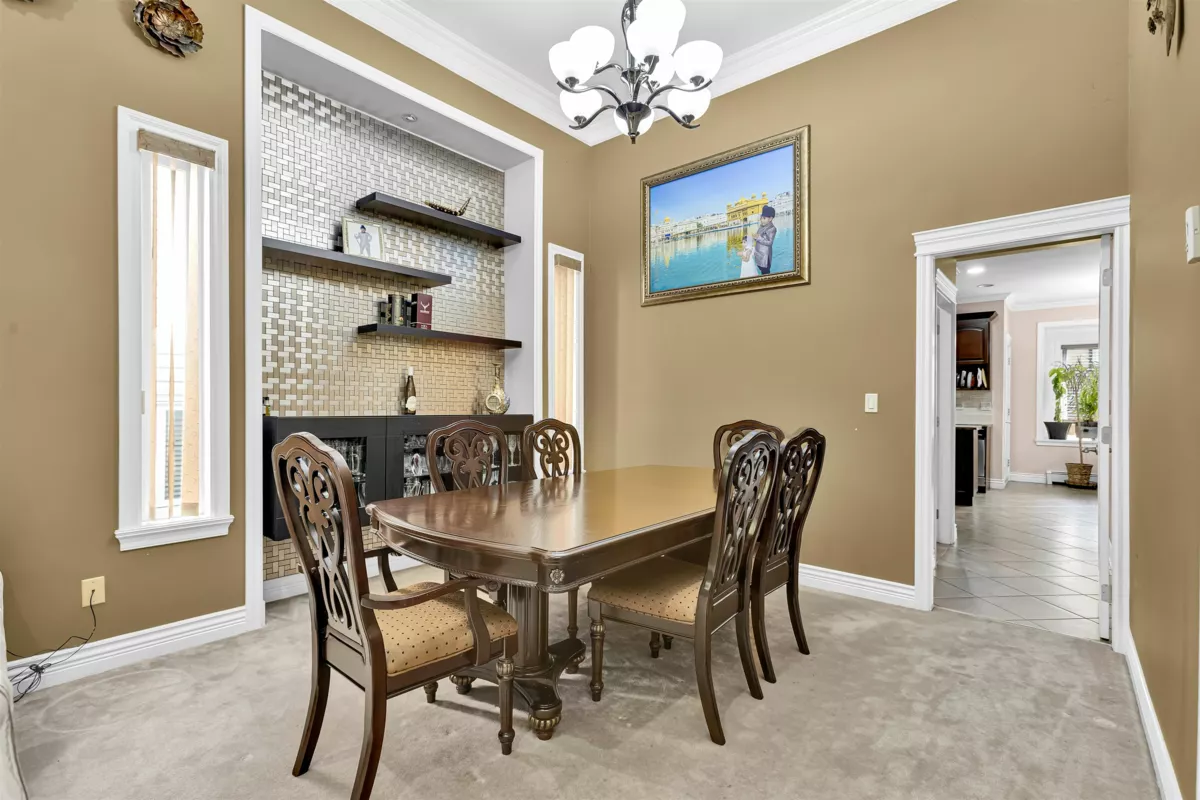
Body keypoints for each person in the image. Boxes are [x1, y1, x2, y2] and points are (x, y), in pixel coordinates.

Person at [752, 205, 777, 275]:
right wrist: (755, 237)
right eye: (761, 218)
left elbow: (770, 242)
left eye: (764, 218)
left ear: (770, 218)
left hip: (765, 258)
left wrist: (759, 238)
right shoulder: (761, 226)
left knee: (766, 274)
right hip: (759, 255)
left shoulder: (772, 229)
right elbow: (758, 237)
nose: (761, 220)